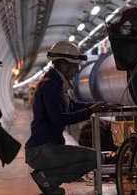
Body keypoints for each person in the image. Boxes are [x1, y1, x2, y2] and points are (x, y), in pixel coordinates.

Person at [25, 41, 106, 195]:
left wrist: (97, 105)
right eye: (75, 66)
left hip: (46, 149)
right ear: (63, 65)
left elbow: (72, 106)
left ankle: (49, 178)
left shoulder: (56, 84)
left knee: (94, 157)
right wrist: (90, 111)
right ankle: (49, 178)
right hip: (42, 151)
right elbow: (58, 119)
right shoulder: (50, 86)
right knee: (96, 157)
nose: (77, 70)